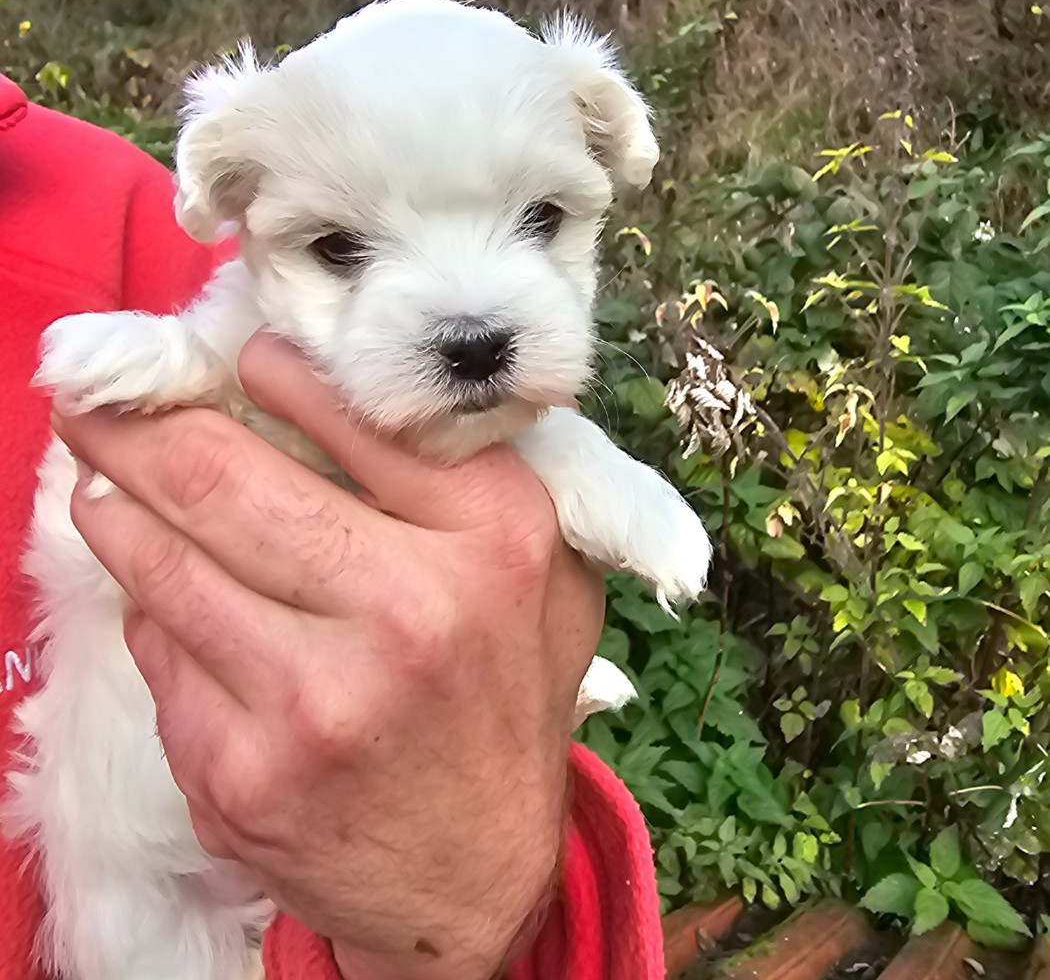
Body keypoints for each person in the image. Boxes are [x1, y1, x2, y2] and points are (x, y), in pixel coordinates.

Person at [0, 72, 666, 980]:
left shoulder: (125, 215)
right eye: (348, 248)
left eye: (537, 222)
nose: (466, 317)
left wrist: (461, 881)